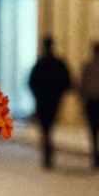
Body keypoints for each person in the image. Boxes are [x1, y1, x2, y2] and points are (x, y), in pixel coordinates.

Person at [27, 36, 72, 169]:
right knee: (48, 126)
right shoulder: (57, 64)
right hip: (53, 100)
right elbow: (67, 81)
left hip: (43, 100)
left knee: (46, 127)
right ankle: (48, 151)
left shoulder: (40, 64)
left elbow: (31, 82)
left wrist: (38, 94)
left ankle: (47, 151)